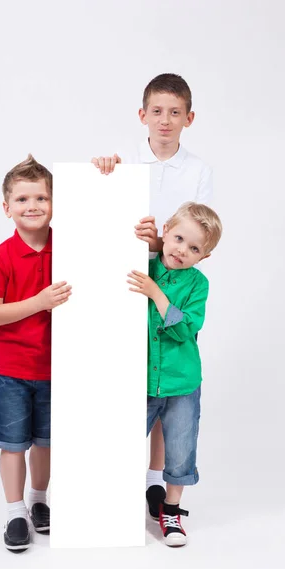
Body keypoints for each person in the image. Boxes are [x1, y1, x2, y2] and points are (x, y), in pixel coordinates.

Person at [92, 73, 213, 518]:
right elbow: (103, 209)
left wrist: (162, 245)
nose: (165, 120)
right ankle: (118, 483)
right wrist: (104, 171)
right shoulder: (125, 165)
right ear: (142, 115)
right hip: (129, 281)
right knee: (137, 381)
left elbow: (202, 235)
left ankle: (155, 481)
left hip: (172, 287)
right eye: (157, 112)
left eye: (175, 113)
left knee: (168, 384)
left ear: (189, 118)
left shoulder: (198, 170)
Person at [0, 155, 72, 552]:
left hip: (57, 366)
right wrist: (38, 302)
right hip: (11, 368)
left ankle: (39, 502)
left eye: (41, 197)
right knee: (13, 443)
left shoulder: (70, 248)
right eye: (21, 199)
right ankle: (15, 512)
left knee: (46, 442)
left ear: (55, 203)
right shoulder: (0, 257)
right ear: (7, 208)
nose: (32, 206)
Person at [127, 202, 222, 546]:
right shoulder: (140, 264)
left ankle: (171, 509)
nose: (183, 250)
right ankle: (115, 504)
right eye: (179, 238)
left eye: (194, 248)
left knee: (180, 449)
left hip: (181, 383)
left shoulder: (199, 284)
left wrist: (156, 293)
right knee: (121, 440)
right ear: (165, 230)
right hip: (139, 380)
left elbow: (185, 328)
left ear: (204, 256)